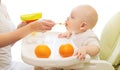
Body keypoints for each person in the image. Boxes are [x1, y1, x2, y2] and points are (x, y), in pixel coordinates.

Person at [35, 5, 100, 70]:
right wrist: (68, 32)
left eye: (72, 17)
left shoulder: (89, 36)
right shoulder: (76, 31)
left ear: (82, 25)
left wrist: (85, 49)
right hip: (73, 62)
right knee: (45, 65)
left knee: (53, 66)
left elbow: (96, 48)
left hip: (84, 66)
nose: (68, 18)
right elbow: (74, 34)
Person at [0, 0, 55, 70]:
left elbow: (6, 44)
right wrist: (31, 28)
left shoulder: (2, 6)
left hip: (8, 65)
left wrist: (21, 28)